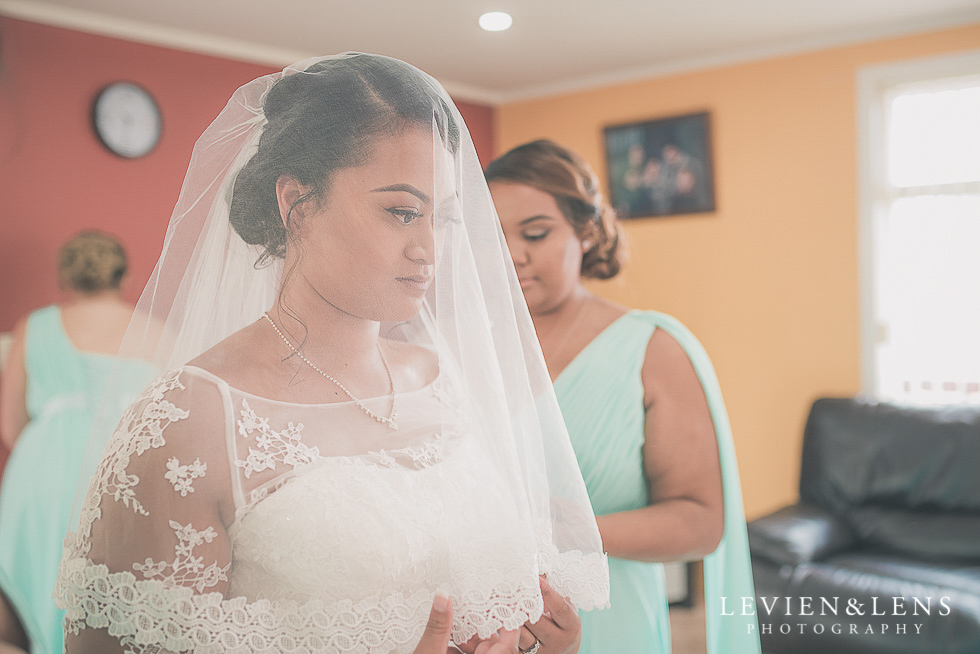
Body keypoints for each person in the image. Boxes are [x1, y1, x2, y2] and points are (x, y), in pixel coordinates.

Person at [53, 55, 609, 654]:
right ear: (296, 204)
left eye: (443, 219)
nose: (429, 248)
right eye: (401, 212)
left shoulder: (441, 379)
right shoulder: (189, 422)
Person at [486, 139, 760, 654]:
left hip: (610, 625)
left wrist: (578, 530)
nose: (512, 254)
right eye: (493, 235)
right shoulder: (455, 348)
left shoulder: (654, 349)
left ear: (586, 233)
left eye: (536, 233)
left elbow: (701, 521)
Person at [0, 231, 156, 654]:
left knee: (36, 579)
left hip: (42, 474)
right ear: (122, 276)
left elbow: (10, 425)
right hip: (121, 479)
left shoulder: (34, 327)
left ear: (66, 278)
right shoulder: (157, 332)